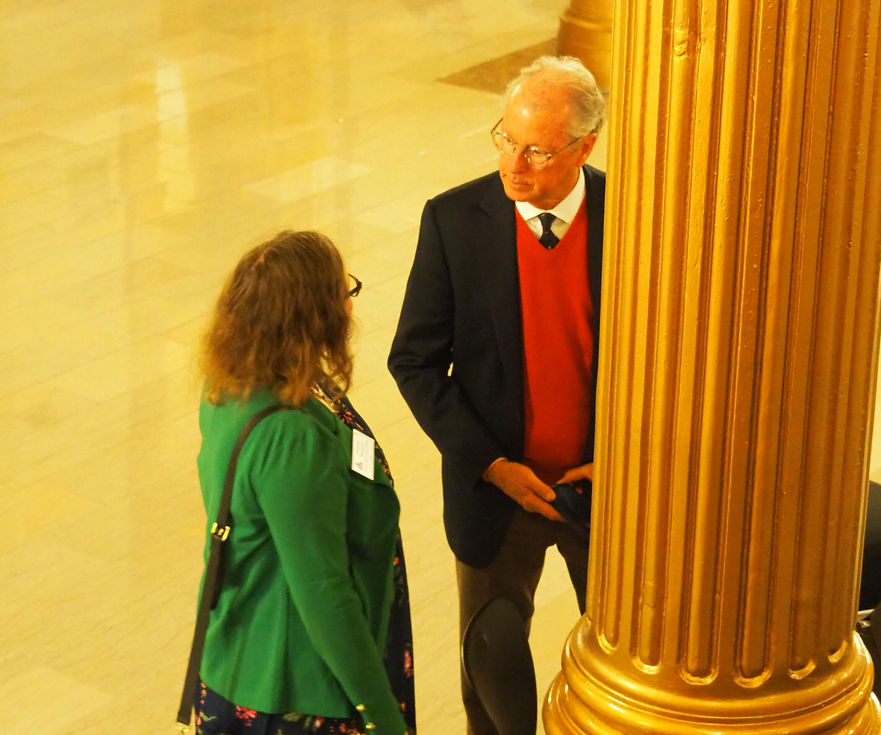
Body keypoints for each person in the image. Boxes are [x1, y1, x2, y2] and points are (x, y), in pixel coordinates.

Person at [387, 55, 605, 734]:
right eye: (505, 138)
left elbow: (672, 363)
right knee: (490, 678)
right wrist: (492, 464)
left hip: (606, 488)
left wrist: (624, 458)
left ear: (585, 146)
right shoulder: (454, 221)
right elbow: (415, 361)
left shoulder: (634, 222)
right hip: (496, 496)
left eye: (537, 150)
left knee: (634, 658)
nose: (515, 164)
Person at [194, 231, 414, 735]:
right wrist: (381, 714)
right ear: (314, 316)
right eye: (344, 294)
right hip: (297, 684)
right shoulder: (291, 437)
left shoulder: (233, 385)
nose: (349, 308)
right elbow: (323, 590)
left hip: (246, 649)